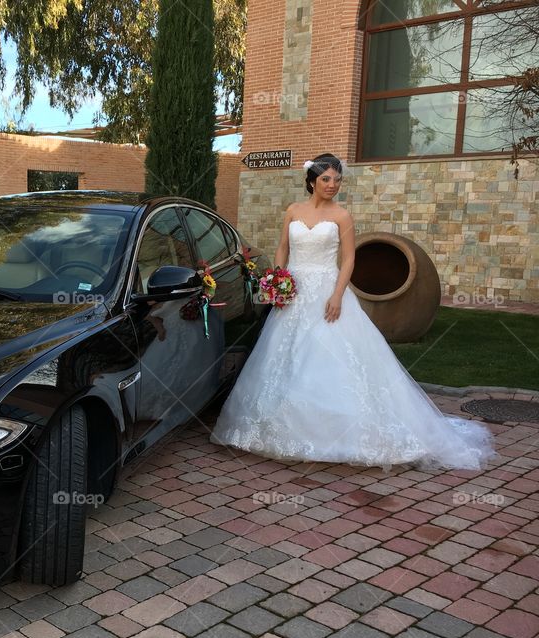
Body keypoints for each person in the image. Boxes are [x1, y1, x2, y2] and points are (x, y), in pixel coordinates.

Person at [210, 153, 495, 471]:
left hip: (327, 290)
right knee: (284, 354)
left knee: (327, 354)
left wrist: (336, 296)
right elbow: (282, 248)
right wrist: (278, 277)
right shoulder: (292, 211)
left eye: (337, 179)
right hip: (293, 290)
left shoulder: (342, 216)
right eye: (326, 179)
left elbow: (348, 260)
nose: (333, 185)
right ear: (312, 181)